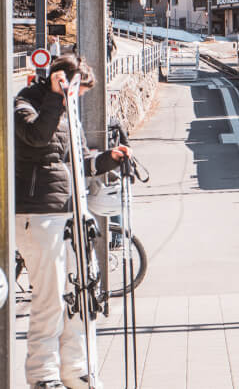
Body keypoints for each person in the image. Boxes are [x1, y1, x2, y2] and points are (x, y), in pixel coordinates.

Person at [14, 55, 132, 389]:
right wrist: (55, 97)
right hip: (38, 214)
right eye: (76, 90)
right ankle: (42, 375)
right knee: (49, 299)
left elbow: (81, 162)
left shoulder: (69, 114)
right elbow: (36, 137)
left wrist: (110, 158)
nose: (78, 98)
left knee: (81, 295)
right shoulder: (24, 105)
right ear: (61, 81)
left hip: (71, 213)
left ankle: (76, 368)